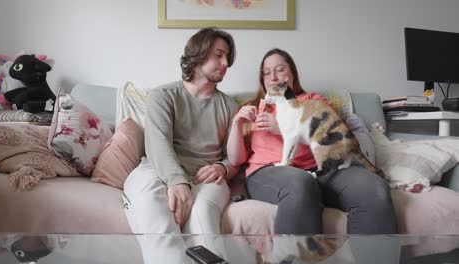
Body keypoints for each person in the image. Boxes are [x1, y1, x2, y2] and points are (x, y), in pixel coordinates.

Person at [227, 48, 398, 261]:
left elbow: (336, 137)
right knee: (300, 183)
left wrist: (283, 128)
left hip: (324, 169)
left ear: (292, 75)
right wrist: (237, 124)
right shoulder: (252, 107)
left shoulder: (312, 100)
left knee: (373, 186)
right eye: (266, 72)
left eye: (280, 70)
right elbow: (235, 160)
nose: (273, 77)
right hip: (270, 172)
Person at [122, 27, 238, 263]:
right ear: (198, 54)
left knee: (203, 215)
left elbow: (234, 157)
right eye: (218, 55)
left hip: (206, 177)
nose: (225, 63)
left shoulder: (229, 106)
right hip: (158, 169)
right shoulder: (163, 95)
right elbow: (157, 143)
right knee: (150, 204)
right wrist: (177, 182)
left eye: (227, 57)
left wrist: (223, 168)